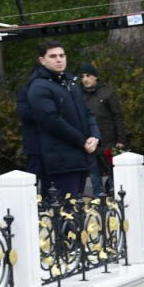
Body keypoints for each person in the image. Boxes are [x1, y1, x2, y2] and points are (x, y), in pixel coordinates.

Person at [26, 41, 99, 199]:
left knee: (77, 208)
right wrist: (82, 141)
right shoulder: (39, 86)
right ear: (42, 60)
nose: (59, 59)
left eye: (62, 55)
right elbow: (53, 122)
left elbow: (87, 112)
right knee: (66, 211)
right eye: (53, 56)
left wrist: (94, 135)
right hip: (60, 159)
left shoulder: (70, 82)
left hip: (79, 156)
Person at [77, 63, 128, 196]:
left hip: (109, 140)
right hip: (90, 141)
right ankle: (98, 196)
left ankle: (115, 193)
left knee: (113, 171)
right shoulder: (79, 95)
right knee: (94, 172)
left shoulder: (107, 92)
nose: (85, 79)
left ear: (95, 77)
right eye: (82, 76)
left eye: (88, 76)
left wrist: (121, 139)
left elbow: (118, 116)